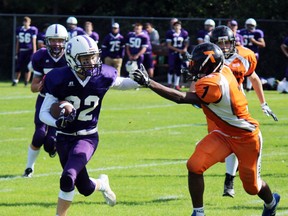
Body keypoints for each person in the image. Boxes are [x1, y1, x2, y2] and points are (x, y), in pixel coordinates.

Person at [129, 42, 281, 216]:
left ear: (207, 65)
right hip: (224, 134)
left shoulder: (213, 84)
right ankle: (198, 212)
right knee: (194, 166)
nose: (191, 66)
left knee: (252, 187)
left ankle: (271, 203)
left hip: (246, 137)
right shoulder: (221, 69)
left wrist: (150, 83)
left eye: (195, 63)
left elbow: (181, 98)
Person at [39, 35, 139, 216]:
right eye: (85, 59)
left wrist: (142, 81)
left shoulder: (102, 75)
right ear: (71, 58)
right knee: (85, 187)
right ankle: (102, 184)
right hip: (64, 138)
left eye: (93, 57)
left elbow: (121, 83)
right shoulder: (58, 78)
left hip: (87, 137)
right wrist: (56, 122)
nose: (91, 62)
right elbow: (43, 113)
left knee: (68, 178)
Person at [209, 25, 278, 198]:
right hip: (216, 106)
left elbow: (253, 78)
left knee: (234, 140)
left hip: (238, 105)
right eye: (220, 43)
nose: (224, 46)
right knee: (222, 149)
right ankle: (230, 176)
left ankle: (229, 179)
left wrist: (264, 103)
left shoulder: (245, 55)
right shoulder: (209, 55)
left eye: (227, 42)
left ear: (233, 42)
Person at [22, 24, 68, 178]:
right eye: (53, 40)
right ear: (47, 41)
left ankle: (53, 149)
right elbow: (33, 87)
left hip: (62, 102)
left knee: (50, 143)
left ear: (65, 41)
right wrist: (39, 86)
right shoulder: (40, 56)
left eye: (60, 40)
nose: (56, 44)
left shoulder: (70, 55)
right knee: (39, 135)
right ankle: (29, 168)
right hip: (44, 99)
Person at [239, 18, 265, 91]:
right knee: (240, 69)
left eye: (251, 25)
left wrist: (254, 41)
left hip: (253, 54)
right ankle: (241, 85)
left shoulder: (257, 33)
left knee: (250, 70)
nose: (250, 27)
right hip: (243, 54)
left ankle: (248, 87)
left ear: (255, 26)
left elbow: (263, 44)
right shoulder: (241, 32)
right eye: (248, 25)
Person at [12, 16, 38, 86]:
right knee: (18, 66)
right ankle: (16, 81)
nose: (25, 23)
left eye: (27, 22)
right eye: (24, 21)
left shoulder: (33, 30)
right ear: (23, 22)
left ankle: (26, 82)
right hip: (21, 50)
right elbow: (17, 42)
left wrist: (34, 52)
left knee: (28, 67)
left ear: (29, 23)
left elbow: (34, 42)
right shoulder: (19, 29)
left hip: (29, 51)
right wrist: (16, 52)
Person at [165, 20, 189, 90]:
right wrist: (179, 50)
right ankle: (169, 83)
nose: (177, 27)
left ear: (180, 26)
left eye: (178, 25)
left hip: (180, 54)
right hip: (173, 53)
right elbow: (169, 45)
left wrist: (185, 48)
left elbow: (187, 42)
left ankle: (176, 84)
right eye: (176, 25)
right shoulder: (170, 33)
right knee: (171, 67)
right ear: (173, 26)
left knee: (178, 69)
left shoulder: (184, 33)